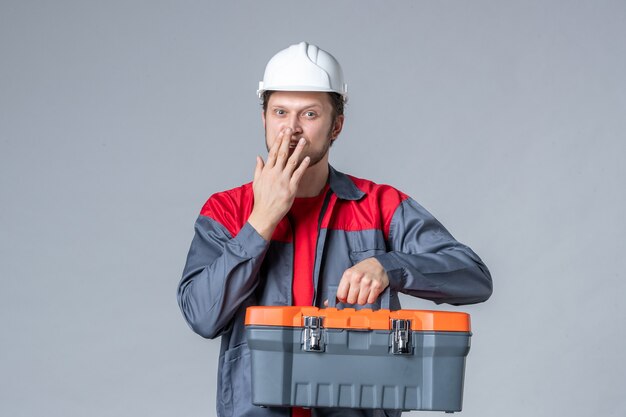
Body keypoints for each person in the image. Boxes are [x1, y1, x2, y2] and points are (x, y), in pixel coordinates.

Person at [177, 41, 492, 417]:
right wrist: (260, 221)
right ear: (264, 118)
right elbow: (201, 314)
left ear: (336, 125)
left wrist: (388, 266)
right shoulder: (227, 210)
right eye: (280, 112)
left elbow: (474, 277)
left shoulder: (379, 206)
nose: (290, 129)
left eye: (309, 114)